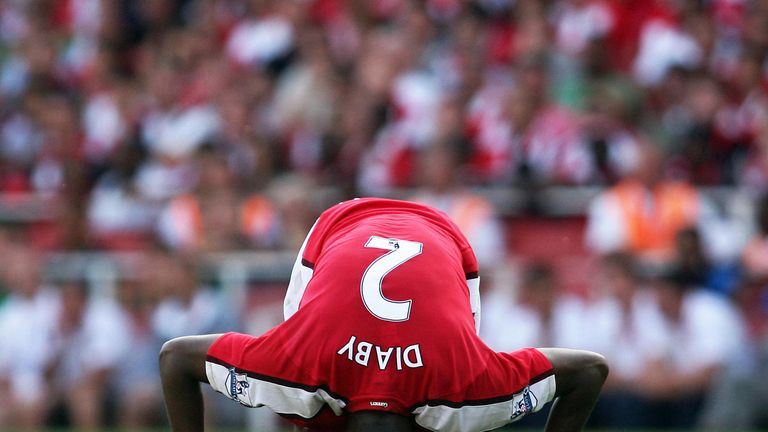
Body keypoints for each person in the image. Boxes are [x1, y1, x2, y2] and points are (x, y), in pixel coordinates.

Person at [160, 198, 608, 432]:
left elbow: (175, 357)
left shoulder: (468, 393)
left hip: (371, 228)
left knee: (300, 396)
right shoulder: (466, 391)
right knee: (302, 399)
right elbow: (590, 369)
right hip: (415, 234)